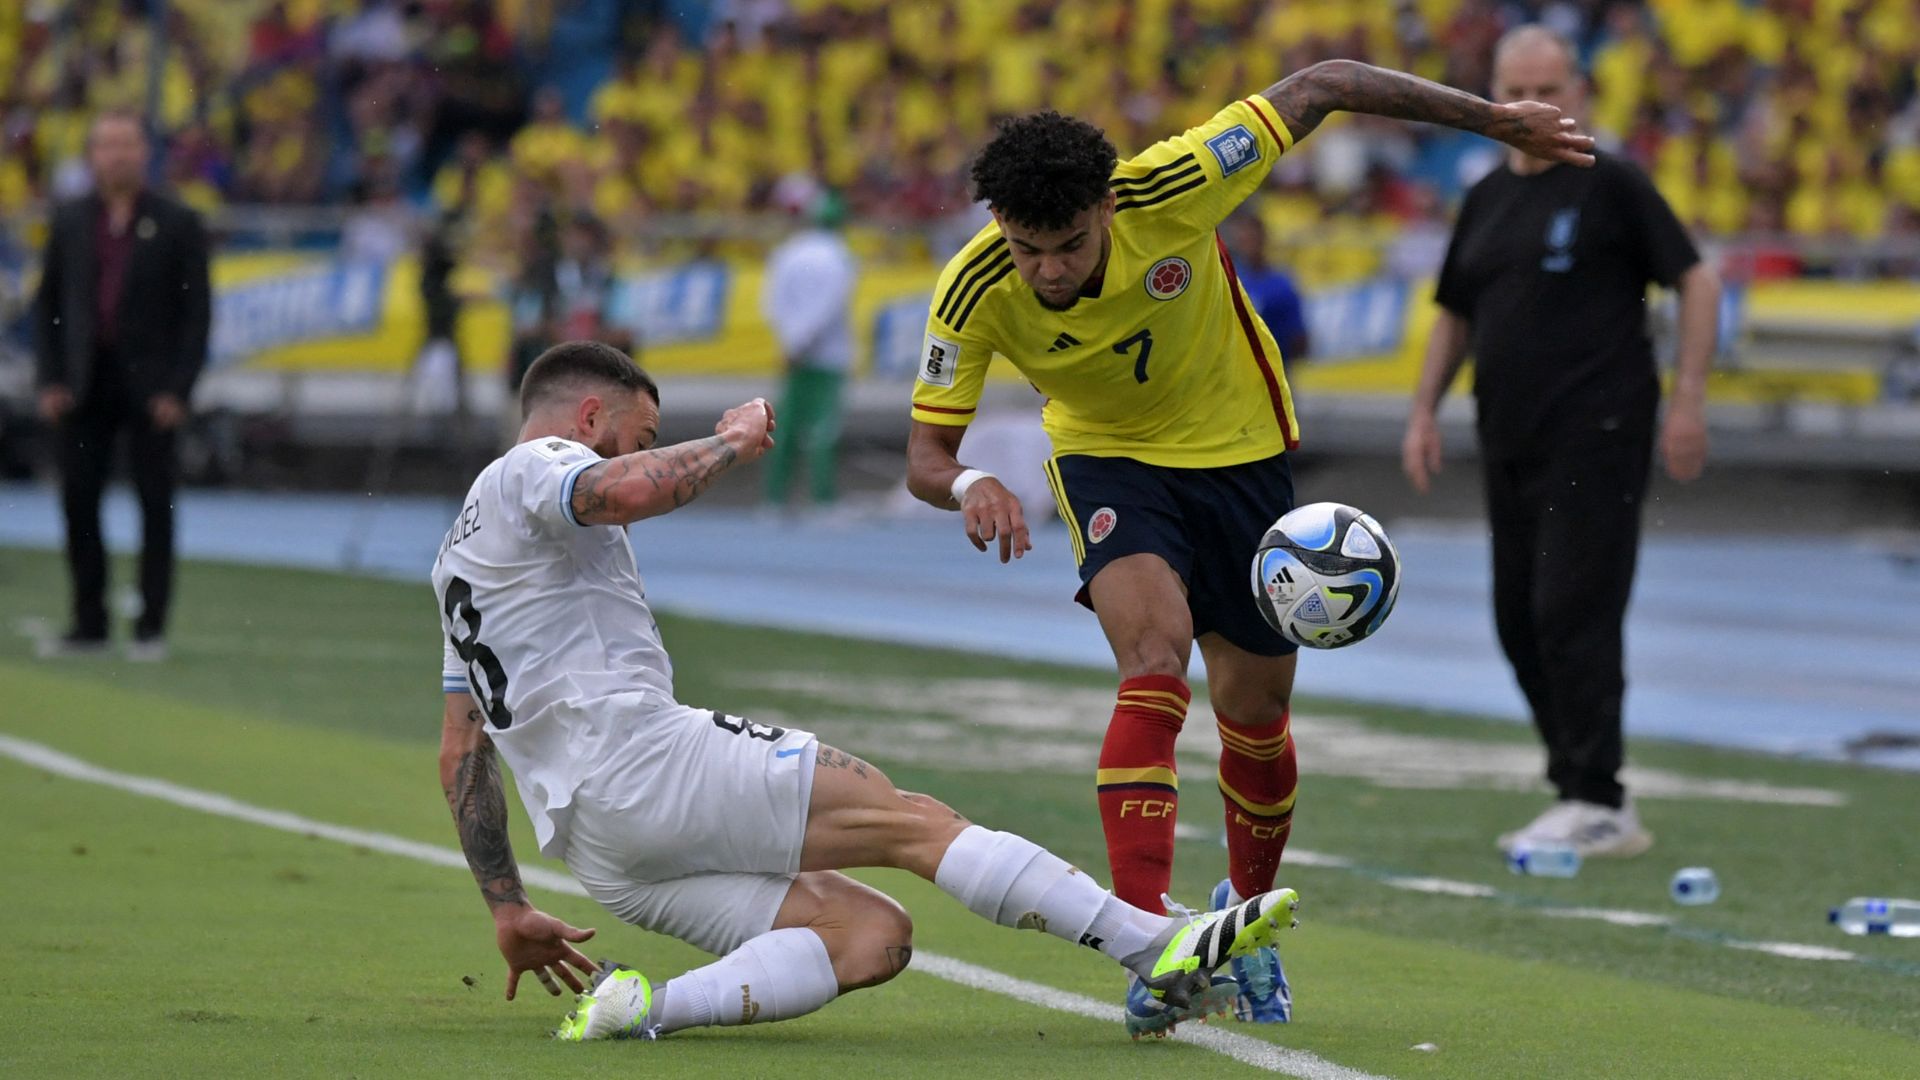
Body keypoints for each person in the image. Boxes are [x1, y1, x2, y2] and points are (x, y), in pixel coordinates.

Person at [902, 60, 1592, 1028]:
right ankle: (1149, 942)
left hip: (1242, 457)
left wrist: (1495, 123)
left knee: (1254, 712)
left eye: (1065, 246)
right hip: (1109, 463)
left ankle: (1243, 918)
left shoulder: (1177, 183)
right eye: (1026, 250)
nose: (1047, 272)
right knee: (1152, 661)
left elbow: (1328, 83)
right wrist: (972, 482)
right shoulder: (973, 285)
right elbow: (926, 456)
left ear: (1107, 205)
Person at [431, 341, 1300, 1044]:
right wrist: (734, 439)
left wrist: (507, 906)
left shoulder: (455, 566)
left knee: (870, 936)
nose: (643, 446)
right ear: (590, 417)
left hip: (598, 849)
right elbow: (617, 487)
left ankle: (641, 1010)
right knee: (908, 818)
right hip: (642, 764)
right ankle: (1151, 944)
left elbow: (462, 753)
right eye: (640, 430)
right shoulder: (532, 468)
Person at [1400, 27, 1719, 858]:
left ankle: (1599, 796)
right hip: (1507, 430)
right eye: (1519, 88)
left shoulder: (1609, 184)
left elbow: (1698, 276)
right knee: (1516, 621)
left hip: (1599, 429)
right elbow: (1454, 312)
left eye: (1551, 88)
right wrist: (1424, 410)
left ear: (1579, 93)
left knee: (1572, 608)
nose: (1536, 104)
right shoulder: (1484, 198)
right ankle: (1574, 784)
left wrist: (1688, 399)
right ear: (1492, 98)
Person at [34, 110, 212, 661]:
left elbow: (196, 313)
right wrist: (50, 378)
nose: (117, 155)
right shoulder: (69, 219)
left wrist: (179, 389)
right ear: (91, 155)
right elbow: (49, 305)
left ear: (145, 153)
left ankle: (150, 626)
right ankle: (89, 622)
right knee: (78, 501)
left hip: (151, 388)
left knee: (156, 505)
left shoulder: (178, 221)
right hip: (85, 383)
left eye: (127, 145)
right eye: (106, 145)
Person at [760, 182, 857, 509]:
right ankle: (822, 497)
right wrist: (804, 340)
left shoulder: (787, 253)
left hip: (794, 354)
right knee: (823, 430)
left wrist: (791, 341)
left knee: (784, 427)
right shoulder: (839, 256)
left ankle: (775, 497)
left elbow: (772, 303)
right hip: (827, 356)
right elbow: (828, 306)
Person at [1222, 212, 1310, 363]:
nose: (1249, 244)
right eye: (1244, 240)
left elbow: (1299, 337)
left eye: (1253, 239)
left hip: (1275, 365)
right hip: (1237, 368)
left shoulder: (1281, 283)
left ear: (1263, 239)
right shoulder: (1227, 281)